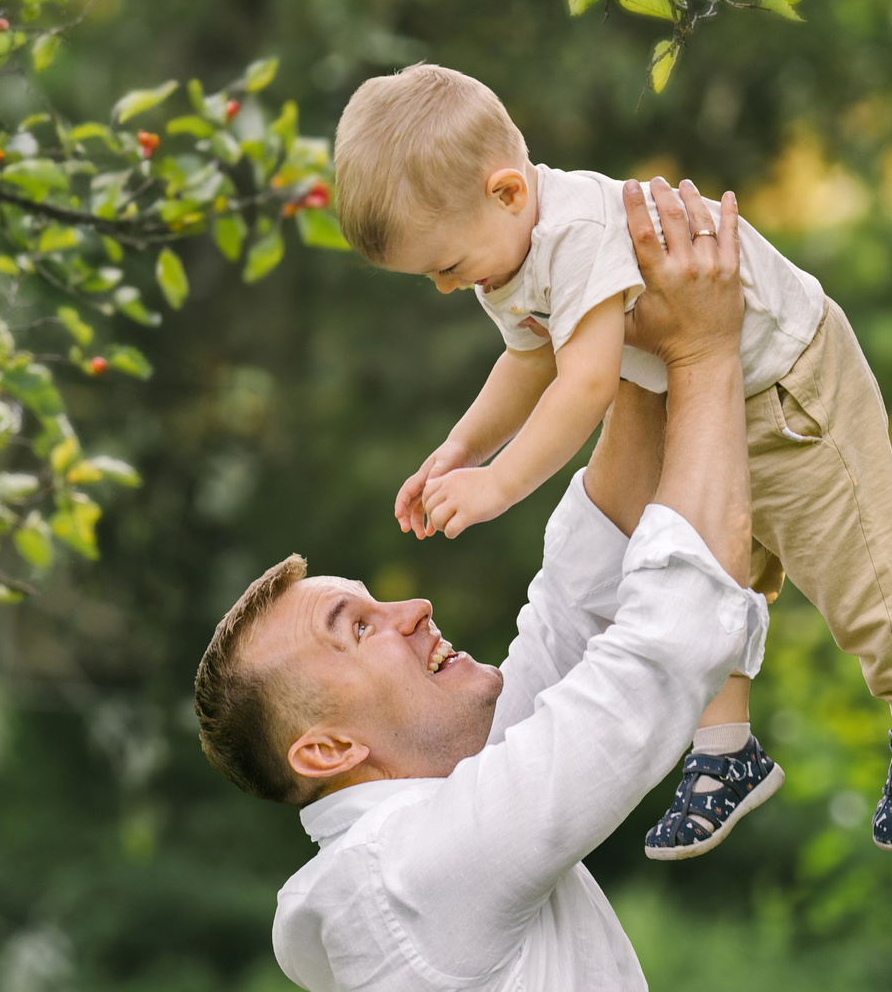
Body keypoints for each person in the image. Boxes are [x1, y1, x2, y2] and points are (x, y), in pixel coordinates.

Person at [326, 63, 892, 856]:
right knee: (692, 570)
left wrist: (499, 484)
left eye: (446, 267)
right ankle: (726, 752)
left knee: (859, 582)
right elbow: (529, 360)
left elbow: (588, 380)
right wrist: (462, 447)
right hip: (700, 399)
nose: (443, 288)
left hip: (791, 390)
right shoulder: (505, 247)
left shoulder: (573, 235)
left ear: (506, 191)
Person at [195, 181, 757, 990]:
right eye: (356, 628)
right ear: (326, 750)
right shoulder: (406, 879)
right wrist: (703, 352)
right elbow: (658, 659)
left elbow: (576, 607)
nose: (414, 609)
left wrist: (620, 321)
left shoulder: (437, 816)